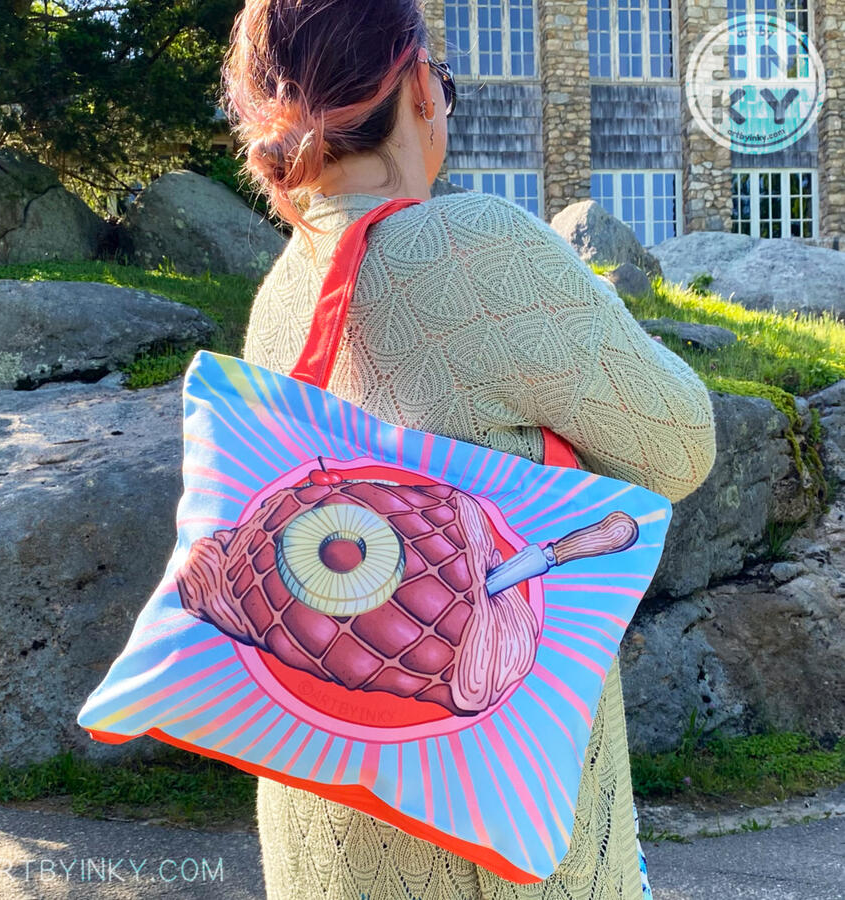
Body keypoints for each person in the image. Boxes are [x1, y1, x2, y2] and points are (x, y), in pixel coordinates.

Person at [222, 1, 717, 897]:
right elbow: (681, 443)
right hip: (495, 836)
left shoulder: (281, 295)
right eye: (441, 84)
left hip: (319, 809)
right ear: (418, 85)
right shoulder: (477, 243)